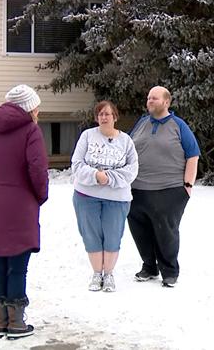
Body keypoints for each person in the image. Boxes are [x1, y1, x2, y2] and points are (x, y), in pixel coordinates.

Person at [0, 84, 48, 340]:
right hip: (20, 205)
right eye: (37, 107)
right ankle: (16, 324)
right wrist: (39, 196)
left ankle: (1, 322)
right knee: (18, 267)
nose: (38, 111)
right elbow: (37, 169)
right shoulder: (30, 131)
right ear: (29, 108)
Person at [128, 86, 200, 288]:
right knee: (139, 230)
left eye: (155, 98)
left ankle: (169, 271)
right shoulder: (141, 123)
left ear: (166, 102)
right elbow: (127, 149)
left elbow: (192, 155)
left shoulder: (178, 125)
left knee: (165, 232)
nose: (150, 101)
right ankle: (149, 267)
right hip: (137, 189)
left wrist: (187, 185)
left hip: (169, 189)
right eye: (148, 97)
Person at [71, 100, 138, 292]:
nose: (104, 117)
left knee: (112, 235)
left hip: (117, 198)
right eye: (100, 114)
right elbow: (76, 164)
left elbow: (132, 169)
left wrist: (108, 177)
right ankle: (96, 273)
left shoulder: (126, 141)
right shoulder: (87, 136)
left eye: (107, 114)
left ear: (115, 117)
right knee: (91, 234)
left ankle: (108, 274)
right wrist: (94, 176)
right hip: (86, 195)